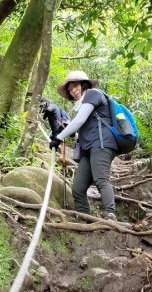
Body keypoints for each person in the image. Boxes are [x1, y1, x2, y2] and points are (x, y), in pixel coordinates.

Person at [49, 70, 118, 221]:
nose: (73, 91)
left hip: (102, 145)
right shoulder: (82, 105)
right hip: (88, 148)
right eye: (70, 89)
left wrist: (59, 137)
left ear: (84, 84)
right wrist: (65, 133)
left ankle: (110, 214)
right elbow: (82, 130)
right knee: (78, 188)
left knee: (101, 179)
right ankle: (85, 219)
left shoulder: (93, 94)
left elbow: (79, 121)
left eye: (75, 86)